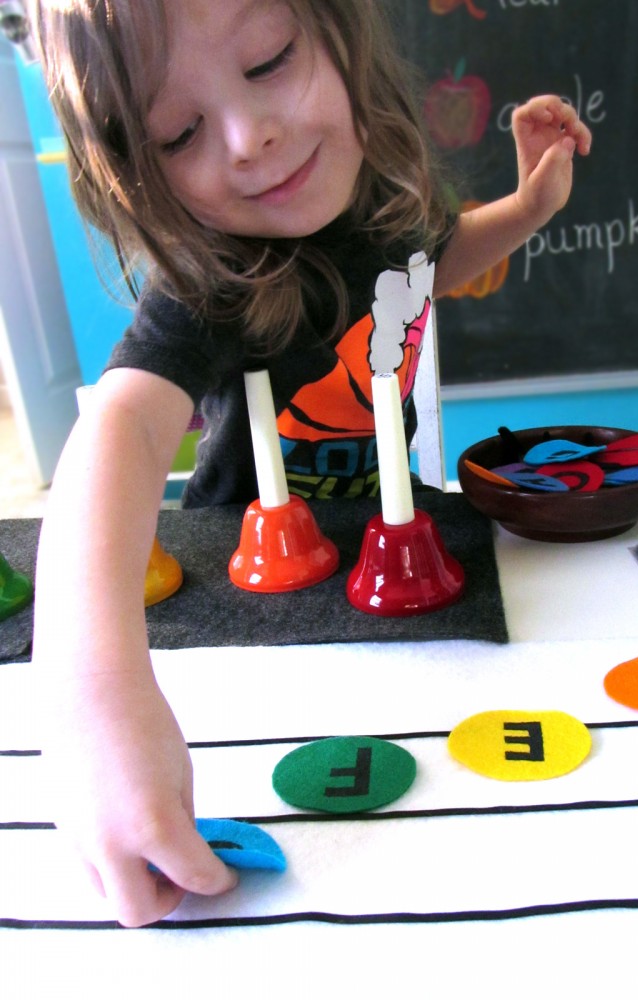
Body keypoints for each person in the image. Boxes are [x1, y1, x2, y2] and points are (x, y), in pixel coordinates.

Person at [30, 0, 591, 927]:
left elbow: (431, 262)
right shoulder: (216, 278)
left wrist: (531, 207)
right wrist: (93, 696)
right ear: (133, 169)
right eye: (179, 131)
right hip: (251, 596)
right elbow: (124, 425)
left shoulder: (378, 200)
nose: (251, 138)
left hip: (391, 565)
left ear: (339, 33)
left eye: (269, 59)